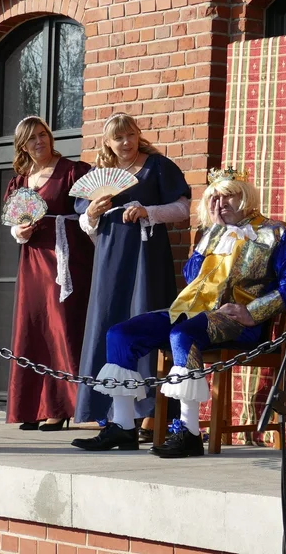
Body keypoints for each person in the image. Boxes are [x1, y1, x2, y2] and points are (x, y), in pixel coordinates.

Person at [70, 167, 286, 458]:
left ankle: (189, 432)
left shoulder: (274, 233)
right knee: (121, 334)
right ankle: (122, 426)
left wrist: (253, 312)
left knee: (183, 335)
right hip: (189, 312)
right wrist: (209, 237)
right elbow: (192, 277)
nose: (221, 204)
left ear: (246, 197)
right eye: (214, 199)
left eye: (228, 197)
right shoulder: (212, 233)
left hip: (237, 321)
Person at [74, 113, 191, 429]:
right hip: (110, 257)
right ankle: (108, 409)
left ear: (138, 135)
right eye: (118, 138)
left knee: (143, 317)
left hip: (146, 256)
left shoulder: (158, 167)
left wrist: (147, 211)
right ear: (108, 143)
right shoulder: (101, 173)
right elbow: (86, 225)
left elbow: (182, 209)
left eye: (130, 135)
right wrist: (94, 214)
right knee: (107, 319)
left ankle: (148, 412)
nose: (125, 143)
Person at [5, 116, 95, 431]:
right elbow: (13, 222)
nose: (39, 142)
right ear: (22, 146)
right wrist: (20, 230)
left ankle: (61, 407)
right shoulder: (20, 181)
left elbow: (90, 214)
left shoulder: (74, 171)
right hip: (33, 260)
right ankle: (33, 406)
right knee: (34, 326)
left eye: (43, 135)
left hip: (67, 259)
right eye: (32, 138)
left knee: (63, 327)